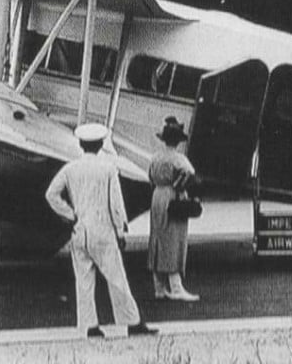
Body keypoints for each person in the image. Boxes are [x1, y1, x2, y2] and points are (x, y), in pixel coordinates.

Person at [45, 123, 157, 338]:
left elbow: (51, 194)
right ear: (100, 144)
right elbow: (115, 204)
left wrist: (69, 214)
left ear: (80, 144)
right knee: (116, 278)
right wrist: (121, 231)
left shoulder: (70, 168)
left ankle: (90, 326)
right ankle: (132, 322)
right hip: (103, 230)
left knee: (84, 280)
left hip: (79, 230)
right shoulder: (108, 168)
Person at [147, 116, 200, 301]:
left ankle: (159, 287)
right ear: (178, 141)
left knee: (157, 238)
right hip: (172, 196)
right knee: (174, 238)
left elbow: (150, 178)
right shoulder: (179, 159)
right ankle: (176, 287)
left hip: (157, 196)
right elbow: (191, 175)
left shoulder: (155, 157)